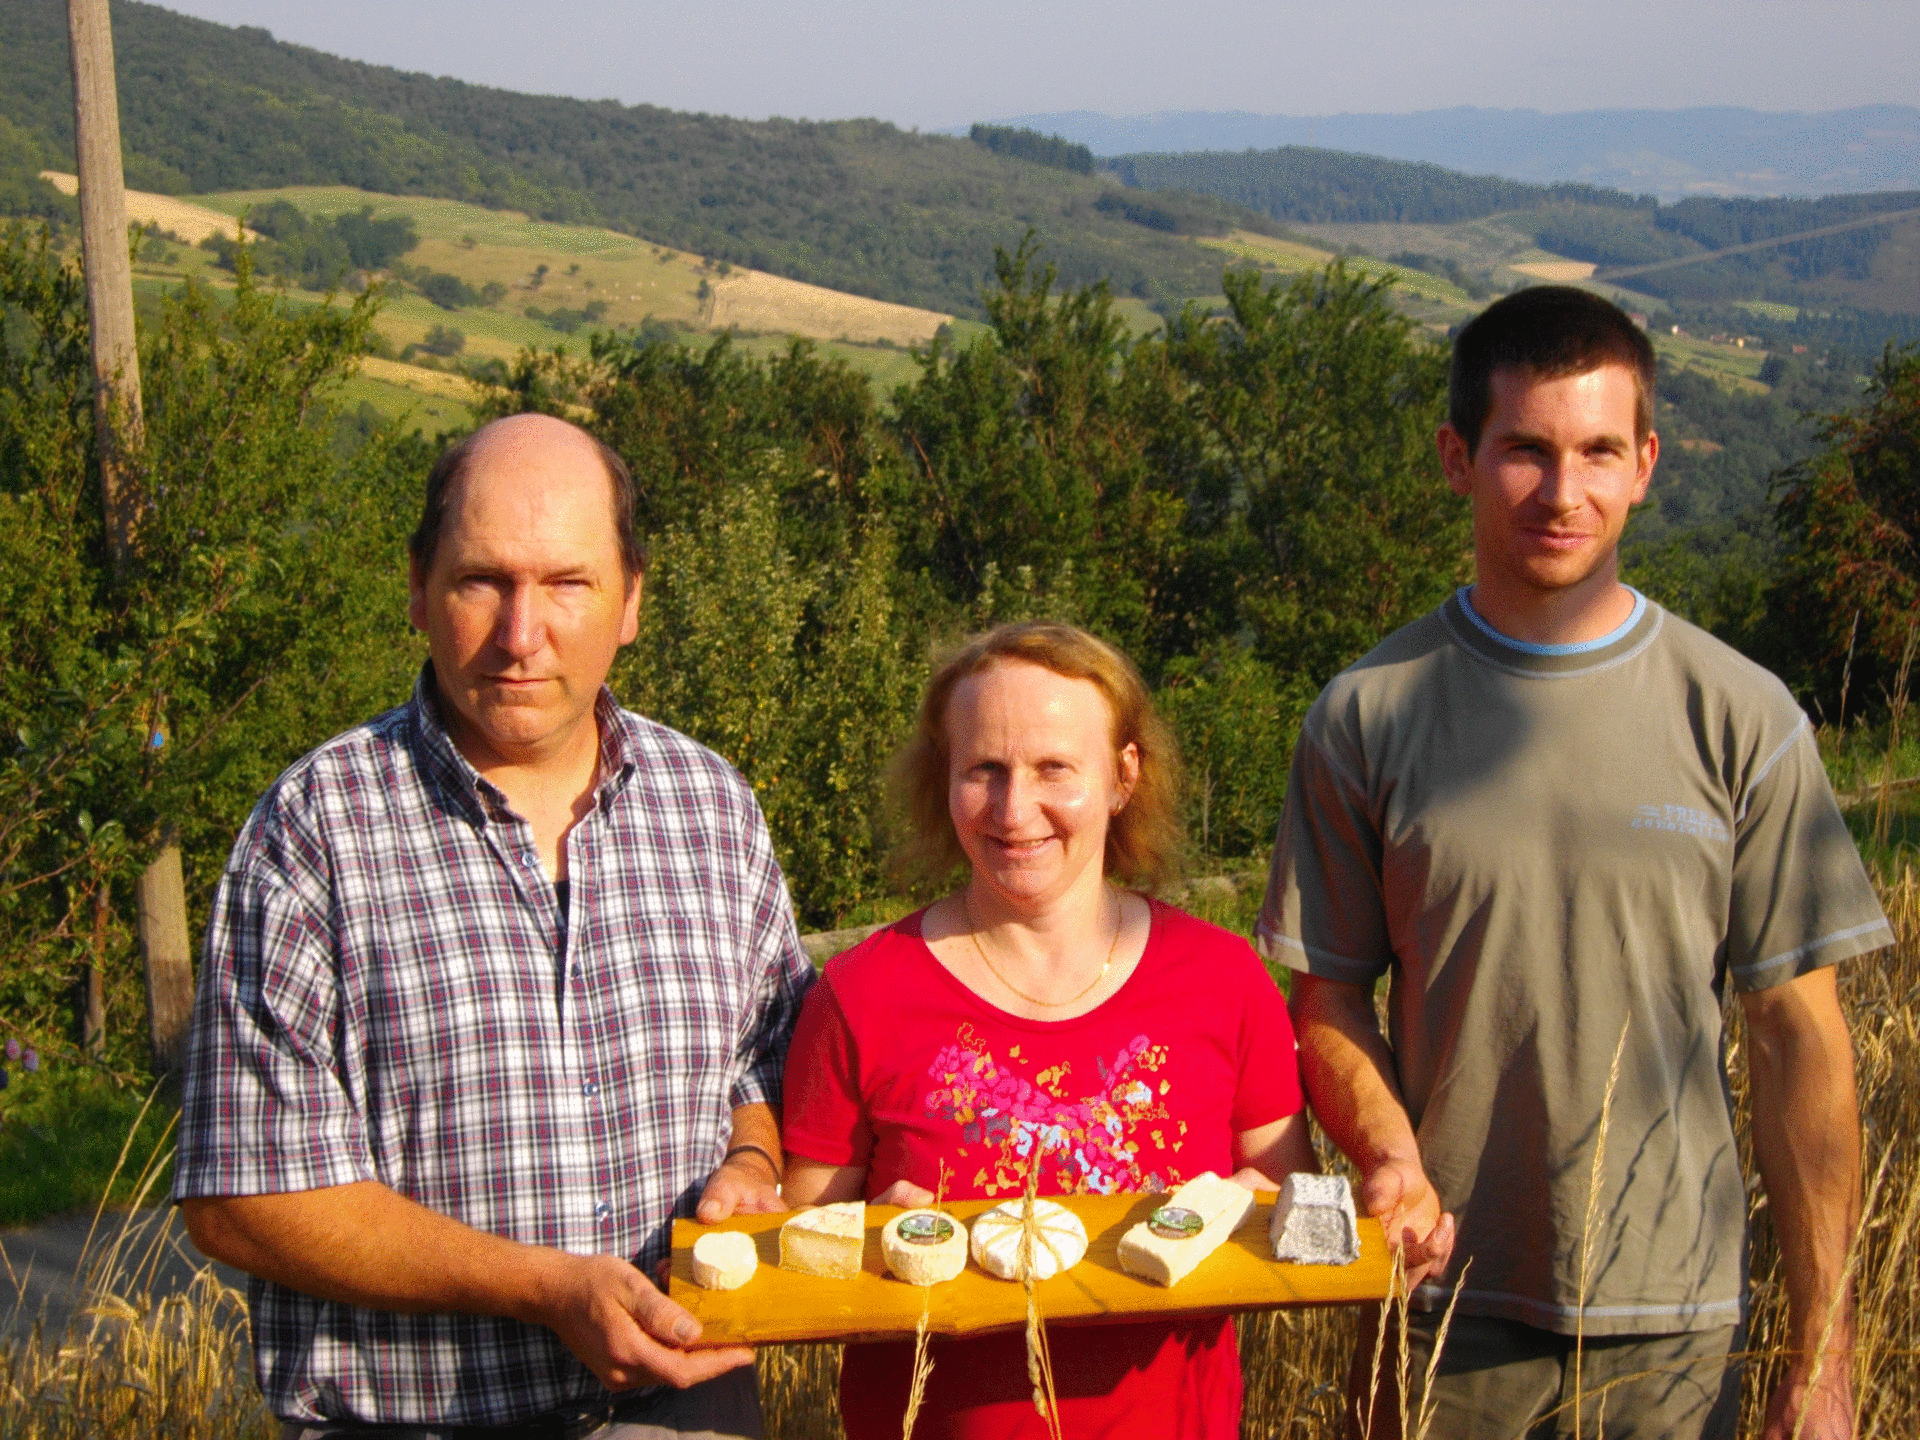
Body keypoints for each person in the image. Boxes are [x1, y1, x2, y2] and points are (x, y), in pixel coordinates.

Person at [1259, 286, 1892, 1440]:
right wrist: (1394, 1161)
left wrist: (1825, 1351)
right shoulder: (1364, 718)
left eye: (1601, 450)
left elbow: (1801, 1036)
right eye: (1526, 452)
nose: (1565, 492)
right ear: (1459, 457)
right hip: (1441, 1310)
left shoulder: (1741, 717)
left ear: (1647, 462)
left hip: (1681, 1324)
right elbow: (1329, 995)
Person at [173, 413, 815, 1438]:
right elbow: (243, 1194)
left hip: (693, 1411)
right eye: (483, 582)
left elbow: (766, 1063)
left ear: (632, 599)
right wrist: (545, 1290)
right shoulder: (313, 831)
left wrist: (752, 1164)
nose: (523, 635)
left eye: (568, 584)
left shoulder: (710, 806)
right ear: (419, 588)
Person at [781, 620, 1316, 1440]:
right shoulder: (860, 997)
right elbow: (796, 1256)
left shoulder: (1223, 978)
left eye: (1053, 768)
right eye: (983, 771)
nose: (1013, 808)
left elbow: (1289, 1204)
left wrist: (1249, 1209)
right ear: (943, 779)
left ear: (1122, 775)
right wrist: (874, 1251)